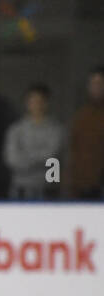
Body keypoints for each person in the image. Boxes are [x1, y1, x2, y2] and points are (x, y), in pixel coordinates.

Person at [4, 84, 64, 200]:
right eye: (32, 101)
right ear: (27, 103)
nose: (36, 105)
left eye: (40, 101)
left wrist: (26, 156)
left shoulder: (56, 128)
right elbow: (12, 158)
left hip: (48, 185)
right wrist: (37, 159)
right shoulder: (16, 129)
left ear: (47, 103)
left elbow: (52, 155)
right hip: (21, 185)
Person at [68, 67, 104, 199]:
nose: (96, 88)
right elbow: (74, 149)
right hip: (82, 184)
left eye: (100, 83)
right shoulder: (81, 116)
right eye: (93, 84)